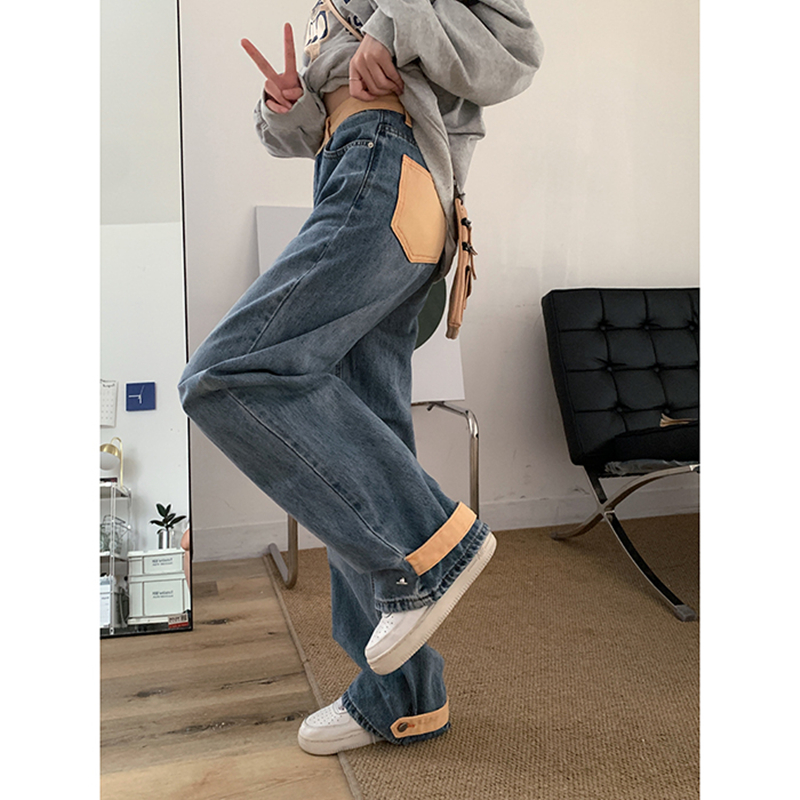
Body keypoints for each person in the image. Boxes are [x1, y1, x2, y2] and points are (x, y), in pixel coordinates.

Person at [179, 0, 543, 756]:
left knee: (228, 372)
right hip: (359, 171)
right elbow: (311, 129)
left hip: (389, 170)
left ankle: (428, 543)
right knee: (357, 440)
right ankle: (401, 699)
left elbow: (516, 48)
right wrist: (289, 105)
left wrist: (393, 28)